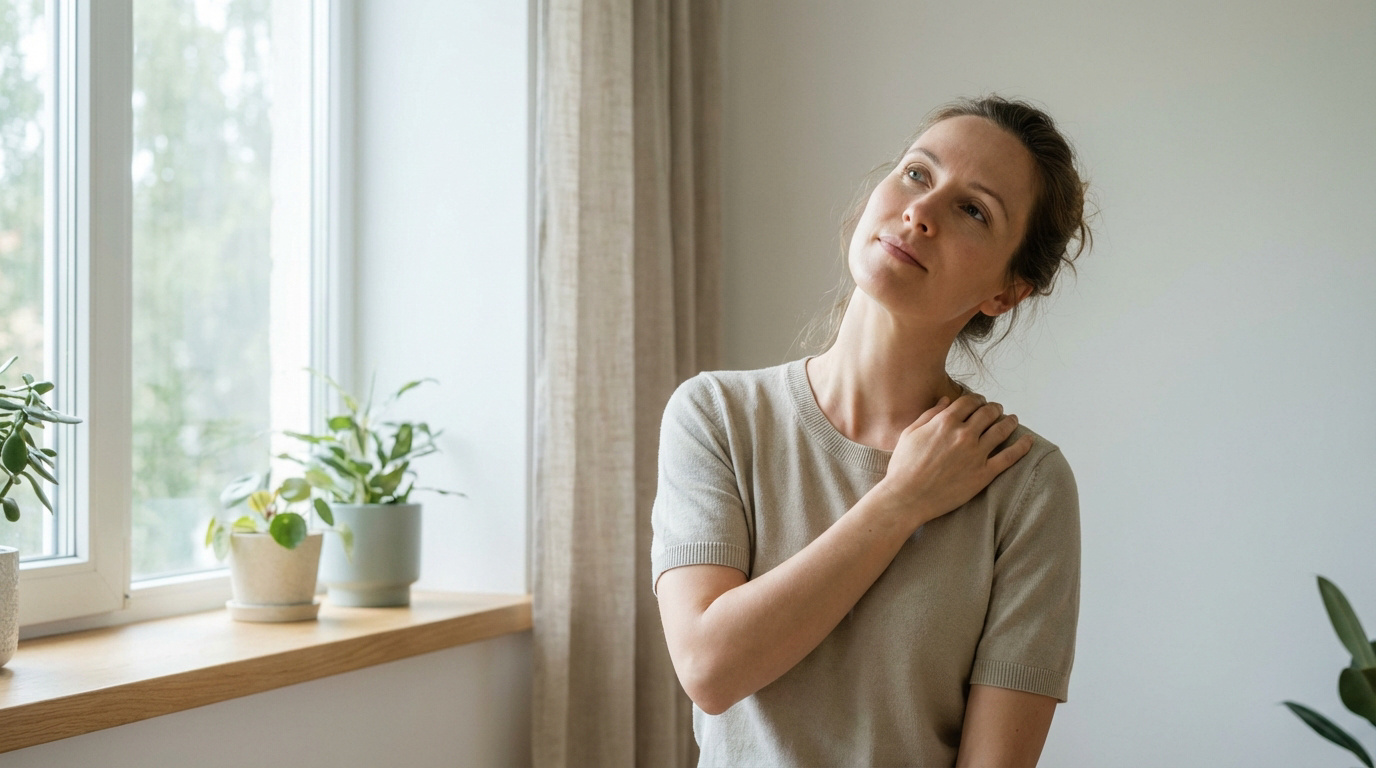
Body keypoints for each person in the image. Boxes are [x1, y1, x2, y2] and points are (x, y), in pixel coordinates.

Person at [651, 96, 1090, 767]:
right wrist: (900, 500)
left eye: (973, 209)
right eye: (918, 174)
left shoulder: (1025, 485)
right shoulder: (717, 415)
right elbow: (709, 669)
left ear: (1006, 291)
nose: (921, 212)